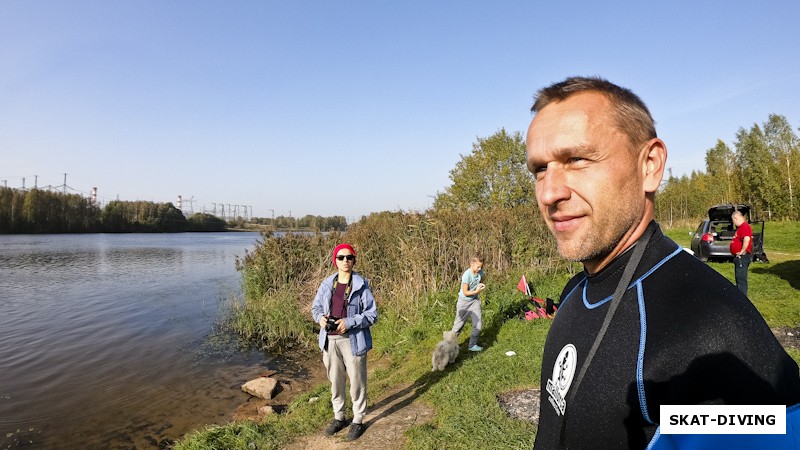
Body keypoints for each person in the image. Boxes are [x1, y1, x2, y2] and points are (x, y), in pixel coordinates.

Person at [525, 76, 800, 449]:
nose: (549, 192)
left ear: (650, 165)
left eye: (576, 159)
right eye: (540, 169)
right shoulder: (579, 288)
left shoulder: (709, 330)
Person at [310, 243, 377, 441]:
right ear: (335, 261)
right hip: (330, 342)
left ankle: (358, 419)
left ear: (354, 260)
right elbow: (315, 309)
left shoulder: (361, 285)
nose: (345, 261)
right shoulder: (327, 284)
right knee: (336, 382)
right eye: (341, 257)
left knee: (357, 381)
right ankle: (339, 417)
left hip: (353, 340)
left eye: (349, 257)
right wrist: (321, 319)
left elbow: (372, 315)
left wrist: (349, 322)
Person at [450, 255, 486, 352]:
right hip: (464, 303)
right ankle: (447, 346)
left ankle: (472, 345)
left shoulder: (480, 273)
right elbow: (465, 292)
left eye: (481, 267)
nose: (479, 269)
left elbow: (481, 279)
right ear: (472, 264)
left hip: (474, 301)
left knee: (478, 325)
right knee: (458, 326)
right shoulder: (466, 275)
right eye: (478, 267)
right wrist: (477, 291)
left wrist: (480, 285)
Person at [730, 210, 753, 296]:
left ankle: (743, 299)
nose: (734, 223)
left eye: (733, 221)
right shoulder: (740, 228)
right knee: (738, 278)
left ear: (736, 218)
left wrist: (742, 251)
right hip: (738, 257)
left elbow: (747, 239)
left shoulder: (745, 227)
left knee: (741, 280)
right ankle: (739, 297)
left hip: (742, 257)